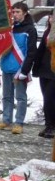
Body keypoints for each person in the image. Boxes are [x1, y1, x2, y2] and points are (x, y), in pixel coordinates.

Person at [0, 2, 37, 134]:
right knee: (6, 96)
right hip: (6, 67)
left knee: (20, 97)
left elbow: (31, 52)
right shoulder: (9, 29)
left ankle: (19, 123)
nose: (15, 14)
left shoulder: (30, 30)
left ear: (25, 13)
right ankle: (6, 120)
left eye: (18, 12)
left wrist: (24, 71)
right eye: (13, 12)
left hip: (19, 69)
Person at [32, 10, 55, 138]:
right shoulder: (47, 31)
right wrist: (35, 66)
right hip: (44, 69)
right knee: (46, 98)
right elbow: (40, 50)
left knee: (49, 98)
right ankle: (48, 124)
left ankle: (52, 126)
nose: (51, 19)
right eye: (51, 16)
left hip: (54, 70)